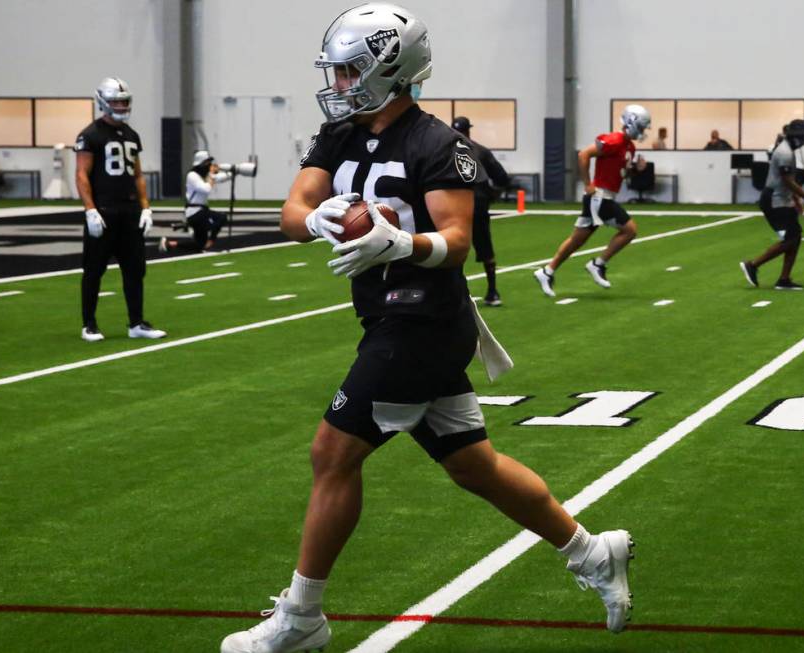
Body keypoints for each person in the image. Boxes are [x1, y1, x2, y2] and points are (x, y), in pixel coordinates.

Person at [220, 5, 633, 652]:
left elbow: (458, 240)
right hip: (387, 316)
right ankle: (591, 550)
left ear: (392, 69)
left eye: (352, 68)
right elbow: (292, 209)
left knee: (332, 452)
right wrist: (320, 219)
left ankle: (302, 618)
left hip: (424, 319)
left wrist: (399, 241)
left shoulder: (439, 144)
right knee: (476, 466)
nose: (340, 81)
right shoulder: (338, 135)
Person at [74, 76, 166, 341]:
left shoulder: (131, 135)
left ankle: (136, 323)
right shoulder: (90, 135)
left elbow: (138, 175)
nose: (122, 106)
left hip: (129, 211)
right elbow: (81, 174)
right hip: (104, 211)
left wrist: (146, 207)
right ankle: (89, 324)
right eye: (116, 101)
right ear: (102, 101)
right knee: (94, 270)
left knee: (135, 270)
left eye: (124, 101)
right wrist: (90, 209)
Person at [533, 105, 650, 297]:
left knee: (576, 241)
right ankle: (598, 264)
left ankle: (547, 271)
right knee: (630, 230)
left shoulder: (629, 146)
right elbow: (584, 154)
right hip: (599, 197)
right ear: (633, 123)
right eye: (642, 127)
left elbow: (619, 171)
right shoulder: (614, 140)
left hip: (604, 197)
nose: (643, 132)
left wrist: (636, 169)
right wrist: (587, 183)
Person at [740, 119, 804, 290]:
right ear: (796, 137)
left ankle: (784, 279)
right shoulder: (785, 153)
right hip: (774, 200)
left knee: (795, 237)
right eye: (803, 136)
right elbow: (788, 181)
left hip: (781, 198)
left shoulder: (788, 150)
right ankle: (753, 265)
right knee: (791, 238)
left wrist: (796, 200)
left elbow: (788, 182)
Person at [451, 115, 510, 306]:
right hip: (478, 204)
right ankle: (493, 292)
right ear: (469, 130)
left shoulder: (443, 151)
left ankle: (452, 293)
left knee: (450, 246)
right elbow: (502, 178)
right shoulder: (481, 151)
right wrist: (492, 195)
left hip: (452, 206)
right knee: (485, 246)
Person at [160, 150, 231, 253]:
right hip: (195, 212)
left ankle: (170, 244)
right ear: (201, 163)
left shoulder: (204, 175)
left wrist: (233, 172)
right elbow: (206, 189)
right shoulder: (192, 175)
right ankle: (210, 241)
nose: (209, 165)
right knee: (221, 218)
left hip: (200, 212)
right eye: (207, 163)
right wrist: (212, 174)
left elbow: (219, 178)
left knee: (199, 245)